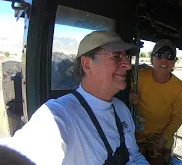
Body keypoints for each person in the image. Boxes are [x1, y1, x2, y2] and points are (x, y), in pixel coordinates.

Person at [0, 30, 149, 165]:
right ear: (87, 64)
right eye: (116, 57)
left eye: (126, 57)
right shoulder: (58, 114)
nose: (128, 65)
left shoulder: (121, 109)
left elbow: (134, 156)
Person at [130, 39, 182, 164]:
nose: (164, 61)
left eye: (170, 57)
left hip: (162, 137)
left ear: (174, 63)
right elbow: (121, 101)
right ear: (152, 59)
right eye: (160, 55)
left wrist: (164, 137)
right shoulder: (139, 76)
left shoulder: (179, 88)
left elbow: (178, 116)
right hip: (136, 134)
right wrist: (129, 98)